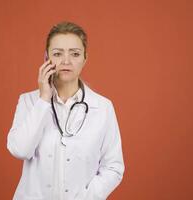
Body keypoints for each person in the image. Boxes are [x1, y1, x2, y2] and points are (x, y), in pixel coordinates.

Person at [7, 21, 125, 200]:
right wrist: (44, 99)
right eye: (57, 53)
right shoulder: (29, 102)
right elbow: (21, 150)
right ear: (46, 58)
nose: (66, 61)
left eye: (75, 54)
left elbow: (114, 167)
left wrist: (87, 197)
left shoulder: (103, 108)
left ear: (85, 58)